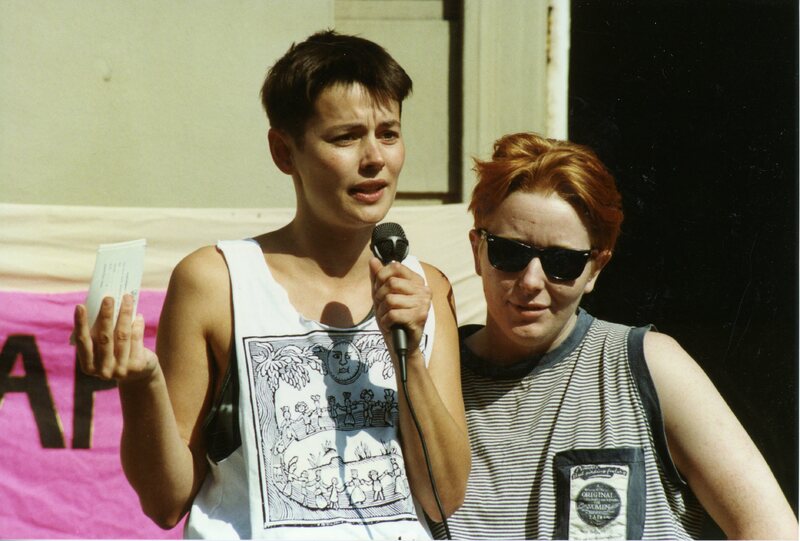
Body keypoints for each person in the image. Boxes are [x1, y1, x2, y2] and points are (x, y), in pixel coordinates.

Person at [73, 30, 469, 539]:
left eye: (389, 134)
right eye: (346, 137)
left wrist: (408, 356)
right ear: (284, 151)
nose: (375, 158)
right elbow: (165, 502)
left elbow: (444, 497)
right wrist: (141, 383)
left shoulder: (425, 287)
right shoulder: (217, 281)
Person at [432, 132, 798, 540]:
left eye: (562, 262)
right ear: (477, 250)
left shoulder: (648, 365)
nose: (531, 281)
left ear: (596, 268)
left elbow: (772, 529)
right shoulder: (427, 375)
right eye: (510, 253)